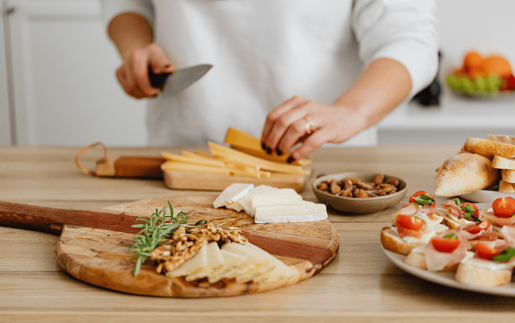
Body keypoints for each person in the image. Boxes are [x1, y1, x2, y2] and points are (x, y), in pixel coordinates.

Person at [102, 0, 439, 162]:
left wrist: (351, 111)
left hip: (322, 163)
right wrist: (135, 48)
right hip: (184, 153)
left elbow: (410, 36)